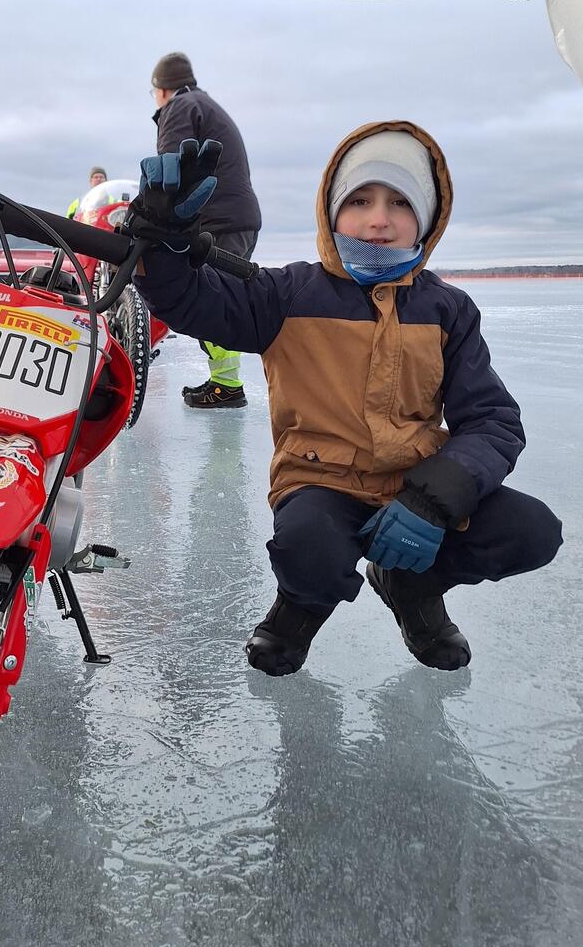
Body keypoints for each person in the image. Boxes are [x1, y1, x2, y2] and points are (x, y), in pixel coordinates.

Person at [131, 121, 563, 675]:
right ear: (330, 210)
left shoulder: (448, 310)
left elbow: (493, 421)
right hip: (319, 480)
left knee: (531, 531)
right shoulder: (285, 294)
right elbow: (190, 300)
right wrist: (163, 239)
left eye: (400, 202)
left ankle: (412, 587)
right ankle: (297, 611)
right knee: (309, 546)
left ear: (427, 221)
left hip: (416, 483)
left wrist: (436, 498)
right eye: (359, 199)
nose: (378, 219)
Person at [150, 52, 261, 409]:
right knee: (217, 295)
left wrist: (152, 216)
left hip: (218, 221)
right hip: (234, 217)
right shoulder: (203, 104)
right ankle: (225, 382)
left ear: (161, 89)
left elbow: (171, 168)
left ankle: (227, 386)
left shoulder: (180, 108)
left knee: (208, 297)